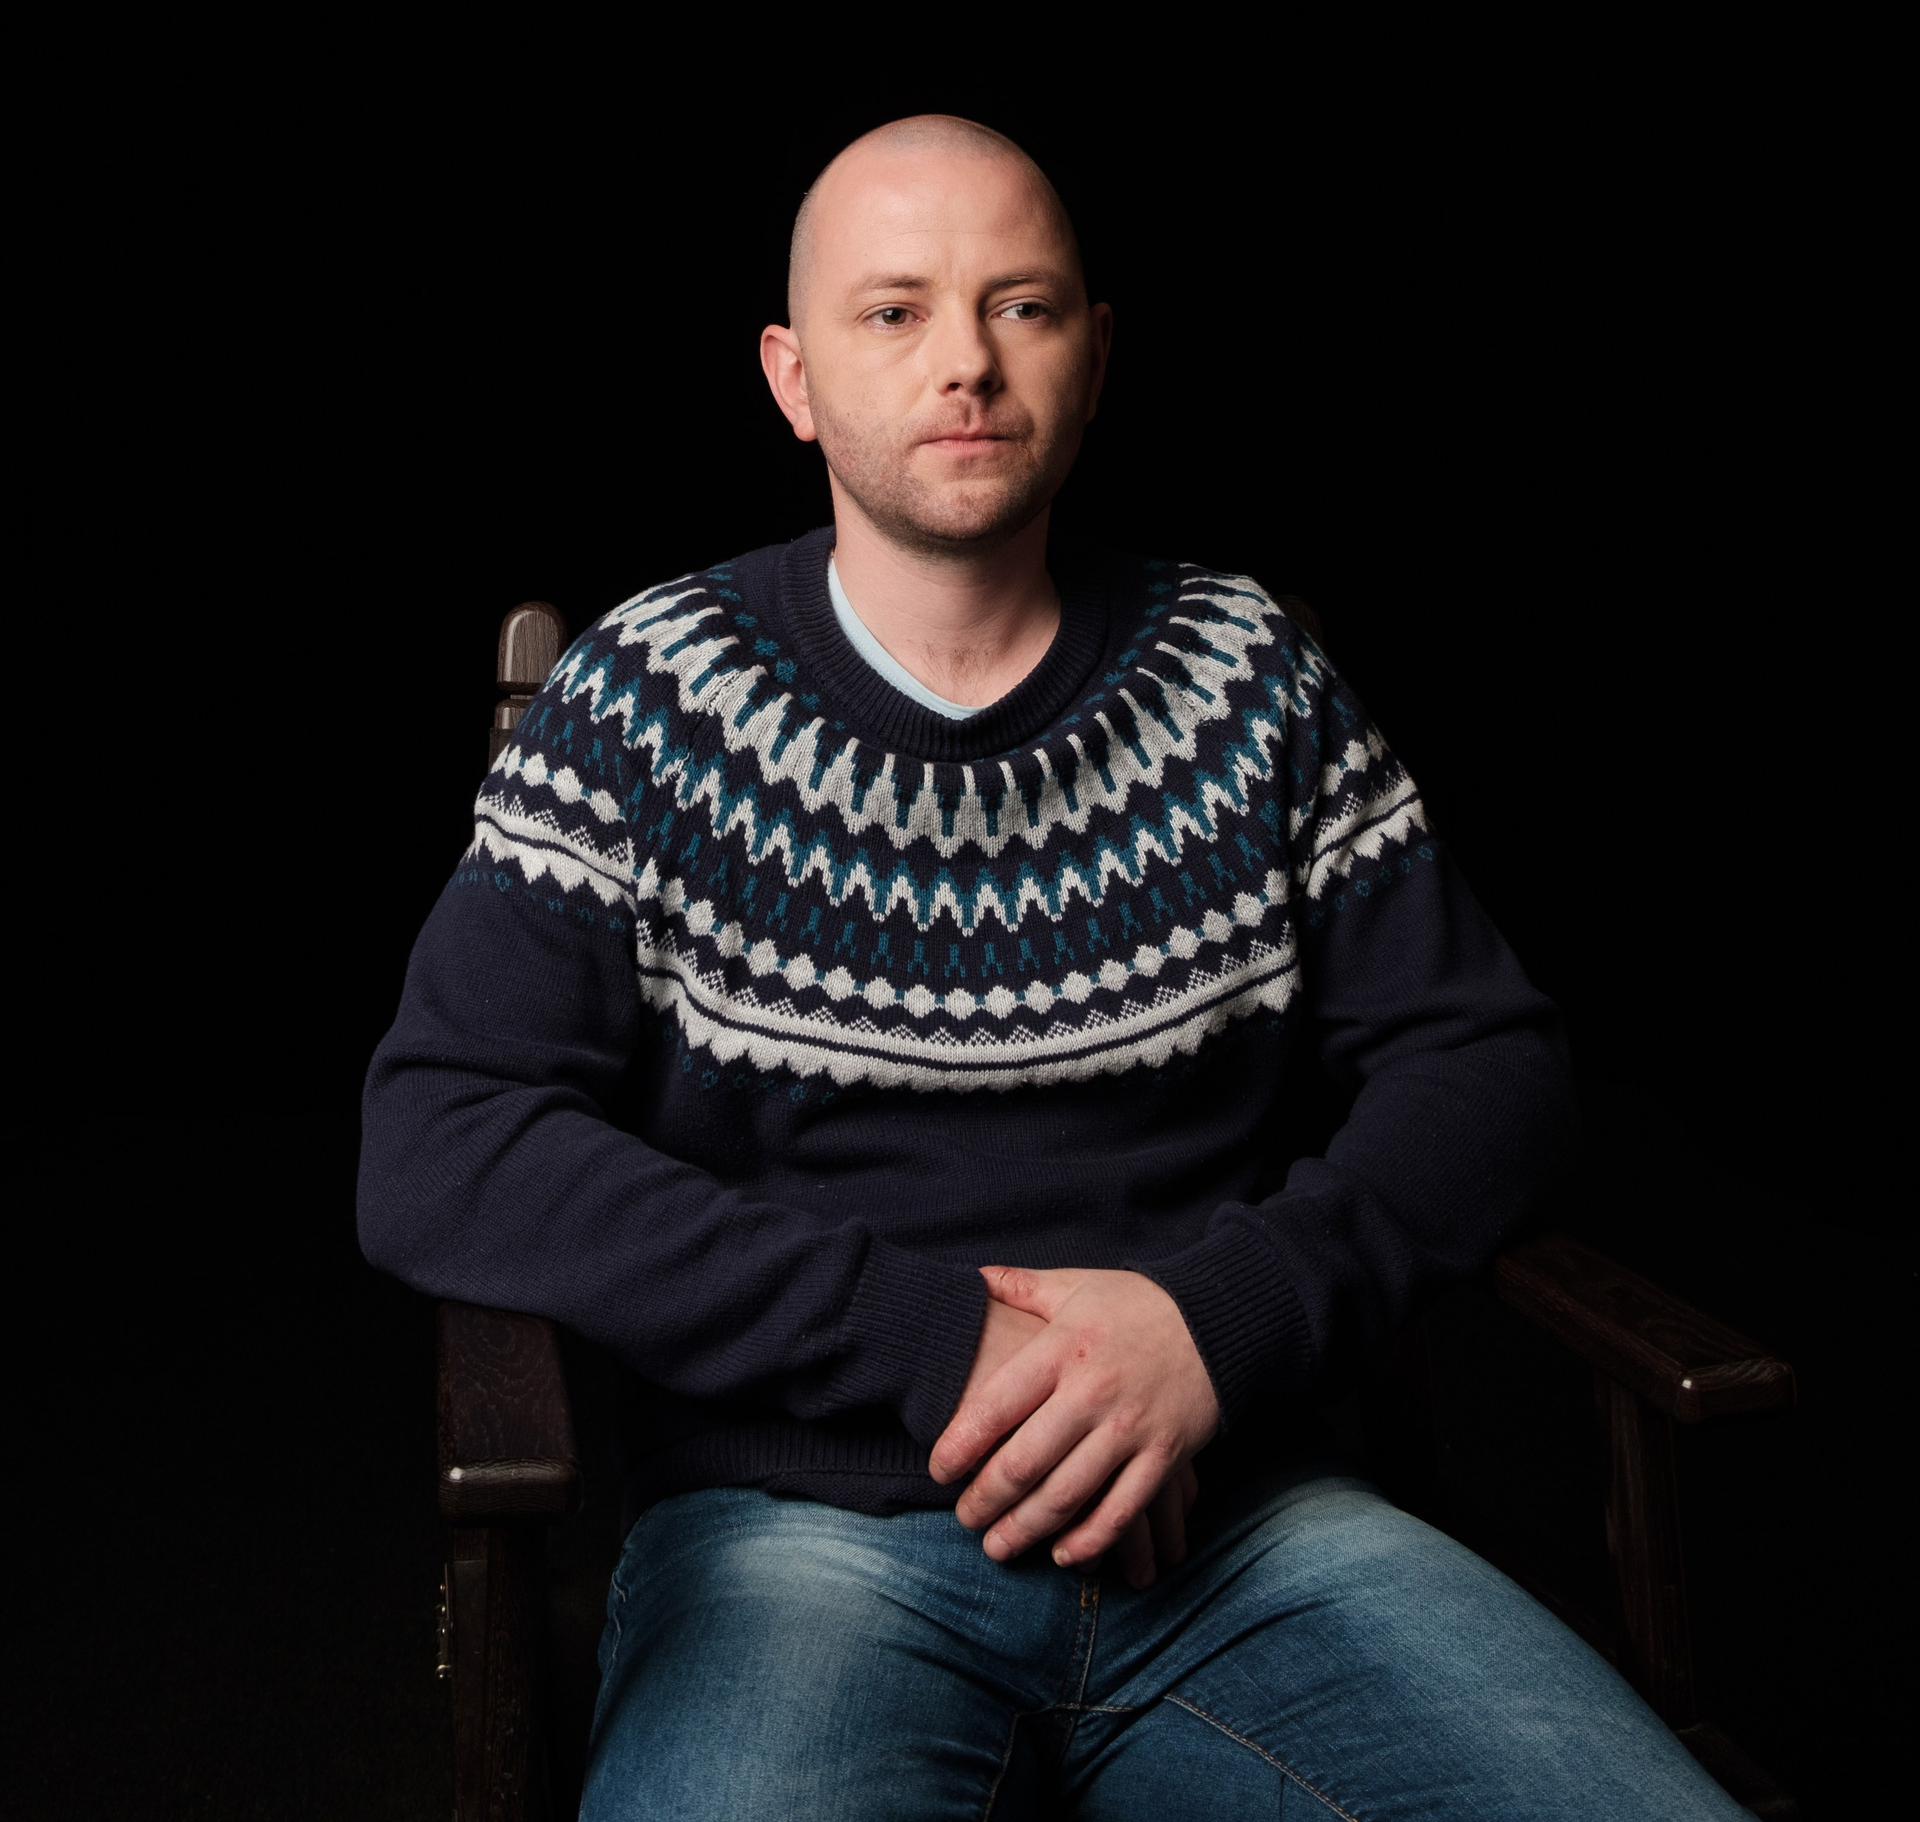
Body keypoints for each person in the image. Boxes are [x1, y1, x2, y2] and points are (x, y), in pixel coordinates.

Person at [359, 114, 1744, 1818]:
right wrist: (937, 1340)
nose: (967, 361)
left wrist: (1215, 1322)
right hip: (802, 1544)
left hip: (1242, 1530)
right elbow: (441, 1136)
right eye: (894, 311)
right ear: (793, 379)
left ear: (1095, 356)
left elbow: (1496, 1073)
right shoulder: (647, 704)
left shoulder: (1246, 678)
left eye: (1021, 305)